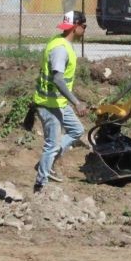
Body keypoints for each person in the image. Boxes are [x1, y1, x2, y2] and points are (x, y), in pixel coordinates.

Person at [32, 10, 89, 192]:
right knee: (51, 144)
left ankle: (47, 164)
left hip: (58, 103)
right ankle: (40, 185)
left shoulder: (61, 41)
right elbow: (57, 79)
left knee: (77, 130)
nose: (85, 30)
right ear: (76, 26)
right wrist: (77, 102)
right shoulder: (60, 49)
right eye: (84, 26)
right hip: (48, 105)